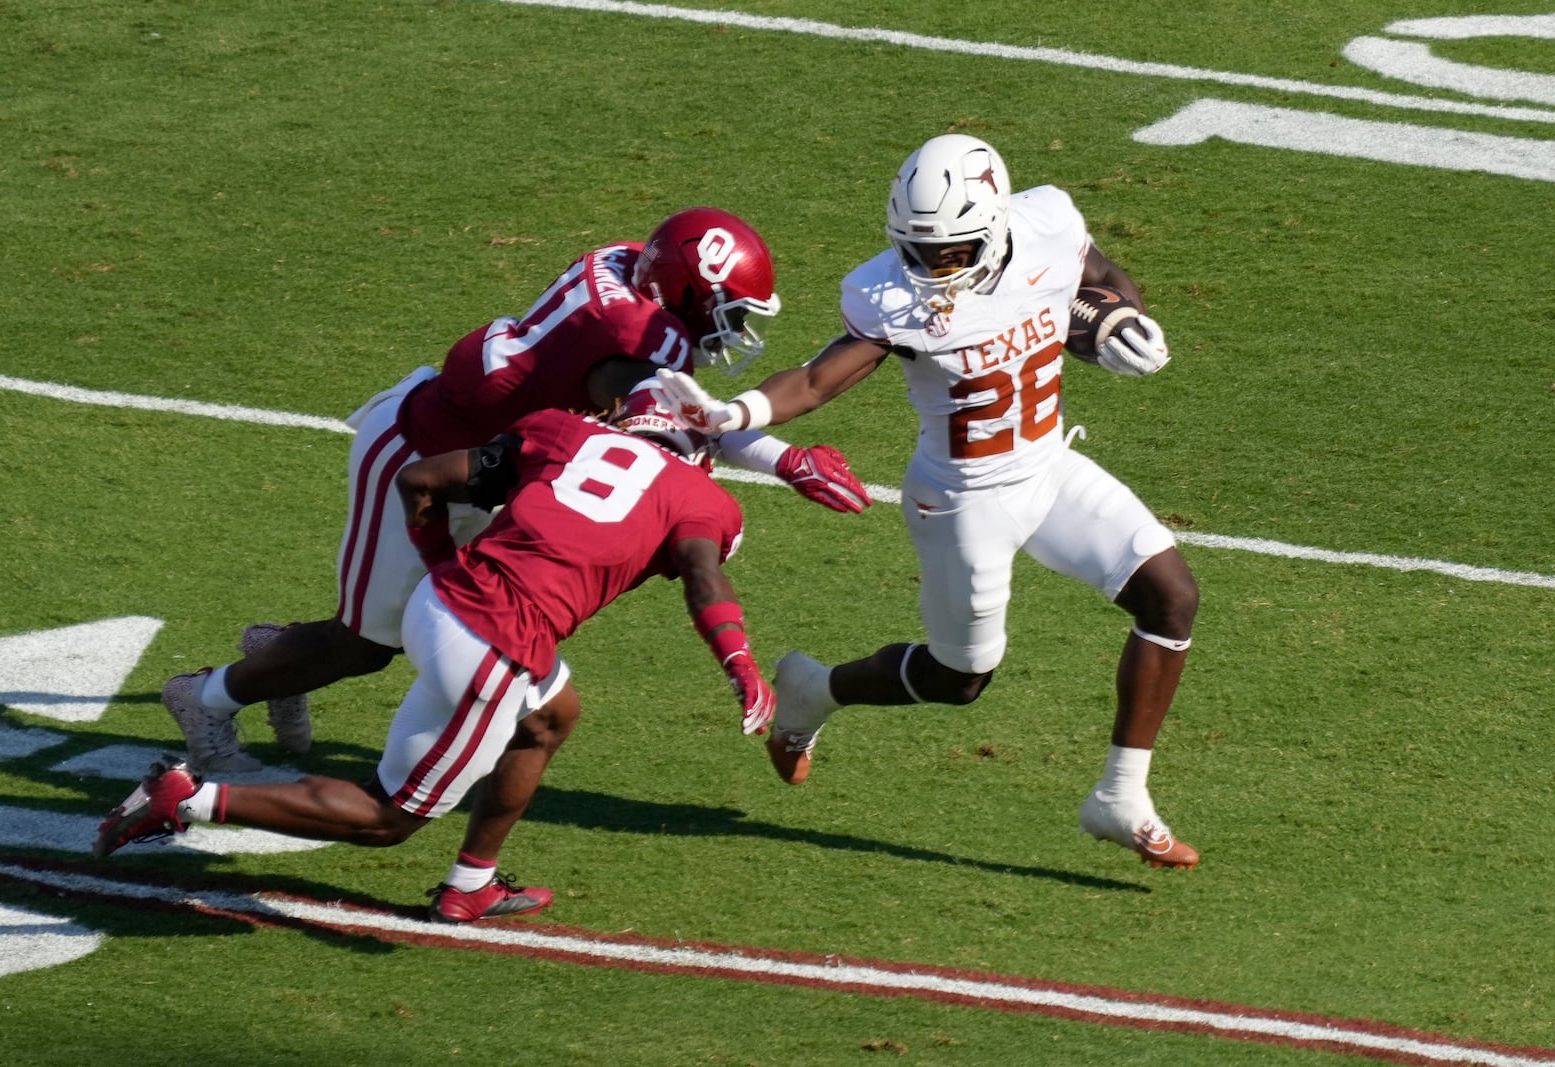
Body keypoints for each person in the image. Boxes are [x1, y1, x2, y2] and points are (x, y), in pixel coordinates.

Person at [658, 134, 1201, 869]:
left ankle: (1120, 795)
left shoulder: (1048, 221)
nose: (931, 267)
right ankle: (816, 691)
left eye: (949, 251)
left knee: (1171, 597)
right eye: (919, 249)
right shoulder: (888, 294)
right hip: (962, 500)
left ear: (997, 224)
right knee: (961, 677)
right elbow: (819, 379)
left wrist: (1114, 321)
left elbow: (1099, 277)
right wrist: (736, 413)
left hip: (1048, 468)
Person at [166, 206, 870, 774]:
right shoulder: (646, 338)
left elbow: (669, 403)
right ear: (684, 292)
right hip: (425, 457)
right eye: (729, 308)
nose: (735, 328)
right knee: (369, 642)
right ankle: (209, 697)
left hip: (483, 459)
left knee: (414, 623)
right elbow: (673, 415)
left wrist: (779, 459)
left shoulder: (628, 263)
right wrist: (782, 456)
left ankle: (282, 657)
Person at [97, 381, 777, 922]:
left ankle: (471, 885)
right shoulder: (701, 495)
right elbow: (703, 576)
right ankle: (187, 798)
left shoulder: (566, 431)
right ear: (700, 447)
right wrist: (741, 663)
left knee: (549, 716)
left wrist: (440, 564)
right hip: (493, 643)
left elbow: (420, 479)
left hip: (441, 598)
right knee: (388, 816)